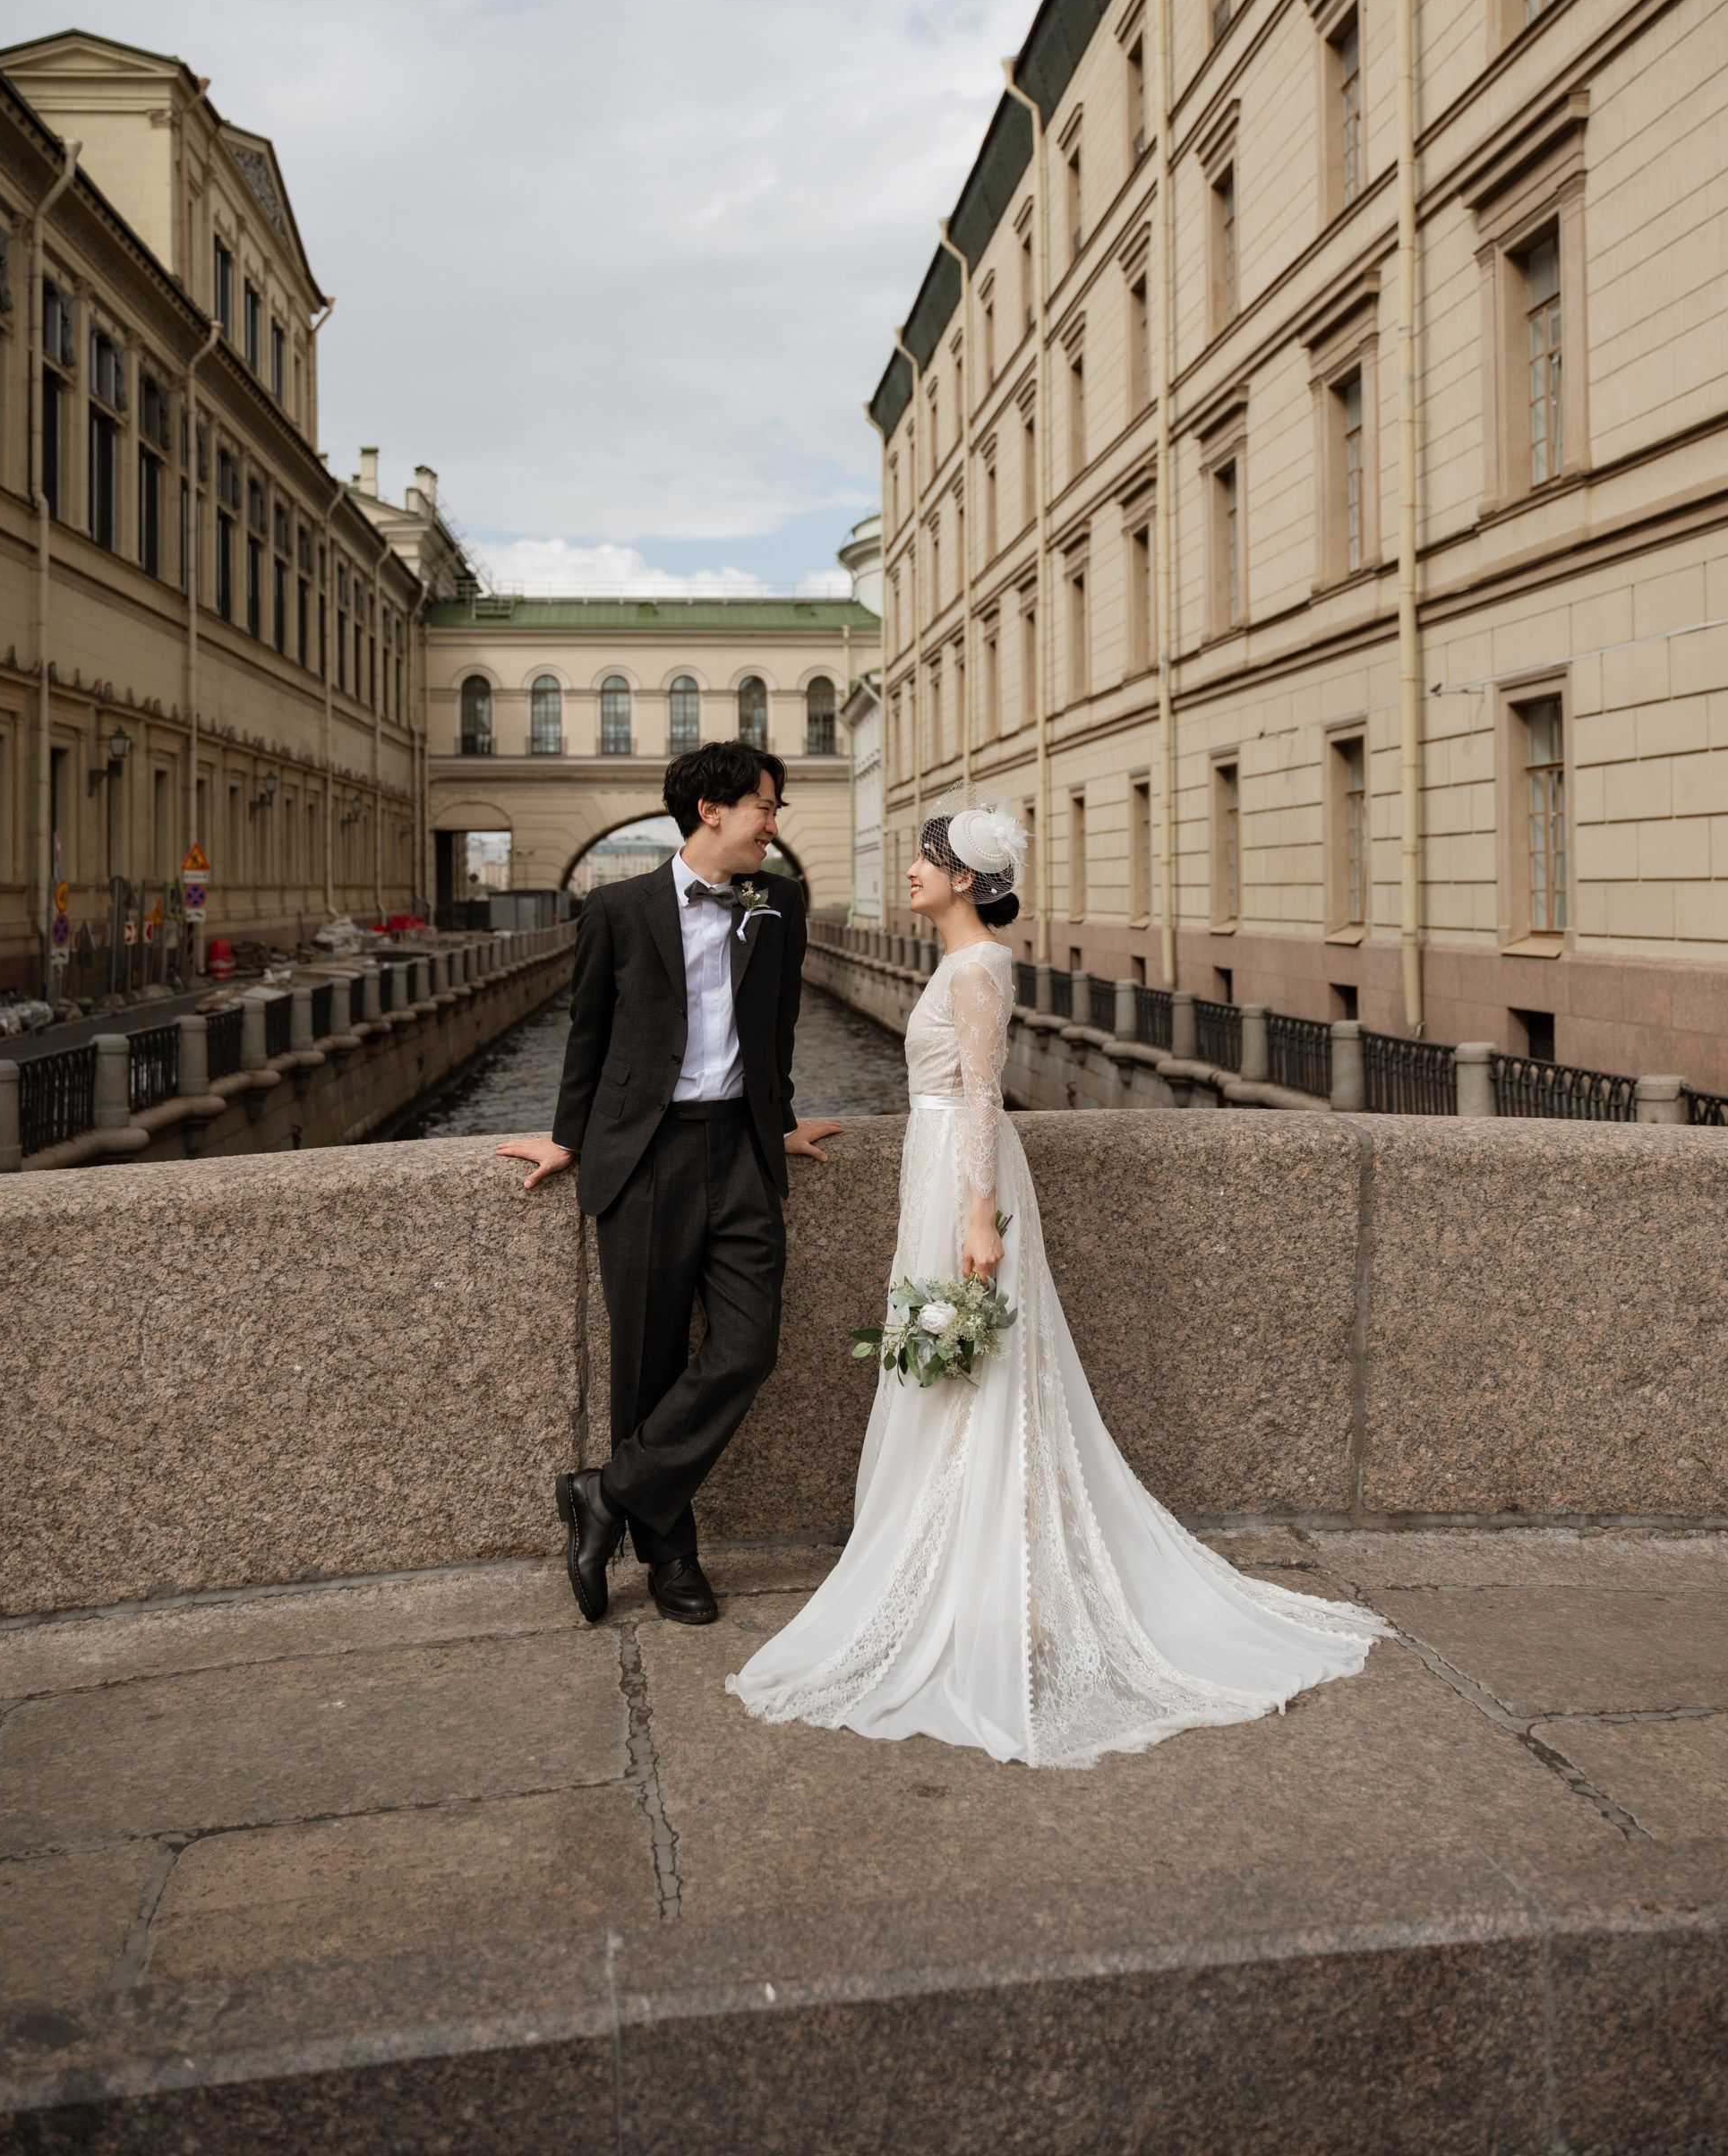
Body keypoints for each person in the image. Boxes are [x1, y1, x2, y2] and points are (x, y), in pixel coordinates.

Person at [729, 800, 1388, 1767]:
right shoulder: (958, 964)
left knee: (977, 1368)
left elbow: (985, 1095)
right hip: (940, 1163)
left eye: (924, 858)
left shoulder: (978, 967)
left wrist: (975, 1219)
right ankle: (984, 1577)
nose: (909, 869)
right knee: (957, 1368)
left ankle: (992, 1586)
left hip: (962, 1172)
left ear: (962, 879)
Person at [499, 742, 839, 1630]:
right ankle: (669, 1556)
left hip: (740, 1150)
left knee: (746, 1345)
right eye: (765, 805)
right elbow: (588, 1034)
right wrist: (569, 1138)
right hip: (643, 1154)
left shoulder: (776, 900)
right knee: (645, 1366)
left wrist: (781, 1118)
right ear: (710, 810)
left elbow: (778, 1024)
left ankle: (603, 1492)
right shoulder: (617, 906)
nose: (775, 822)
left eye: (776, 806)